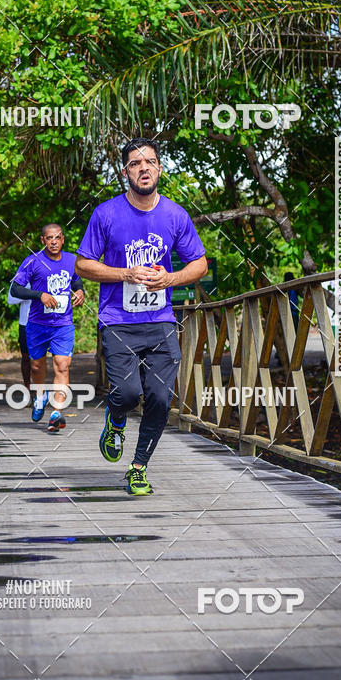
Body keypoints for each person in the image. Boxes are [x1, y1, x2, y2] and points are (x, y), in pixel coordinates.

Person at [76, 138, 207, 495]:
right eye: (136, 163)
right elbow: (83, 264)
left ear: (160, 168)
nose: (144, 168)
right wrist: (125, 274)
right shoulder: (106, 214)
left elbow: (200, 262)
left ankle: (138, 467)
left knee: (162, 398)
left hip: (161, 319)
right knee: (128, 393)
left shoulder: (175, 215)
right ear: (126, 172)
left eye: (150, 161)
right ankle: (115, 420)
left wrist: (171, 278)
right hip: (118, 321)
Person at [10, 224, 85, 431]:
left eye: (58, 238)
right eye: (49, 238)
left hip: (63, 324)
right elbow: (15, 289)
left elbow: (77, 282)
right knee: (36, 367)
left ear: (63, 239)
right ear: (43, 240)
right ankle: (40, 397)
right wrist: (39, 295)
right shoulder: (32, 261)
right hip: (37, 325)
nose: (54, 242)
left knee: (62, 365)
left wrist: (80, 292)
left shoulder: (72, 261)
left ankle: (56, 413)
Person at [6, 286, 31, 391]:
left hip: (45, 323)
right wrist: (33, 293)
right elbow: (10, 299)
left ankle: (42, 393)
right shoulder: (22, 276)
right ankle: (28, 389)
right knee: (26, 358)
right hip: (26, 324)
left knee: (41, 360)